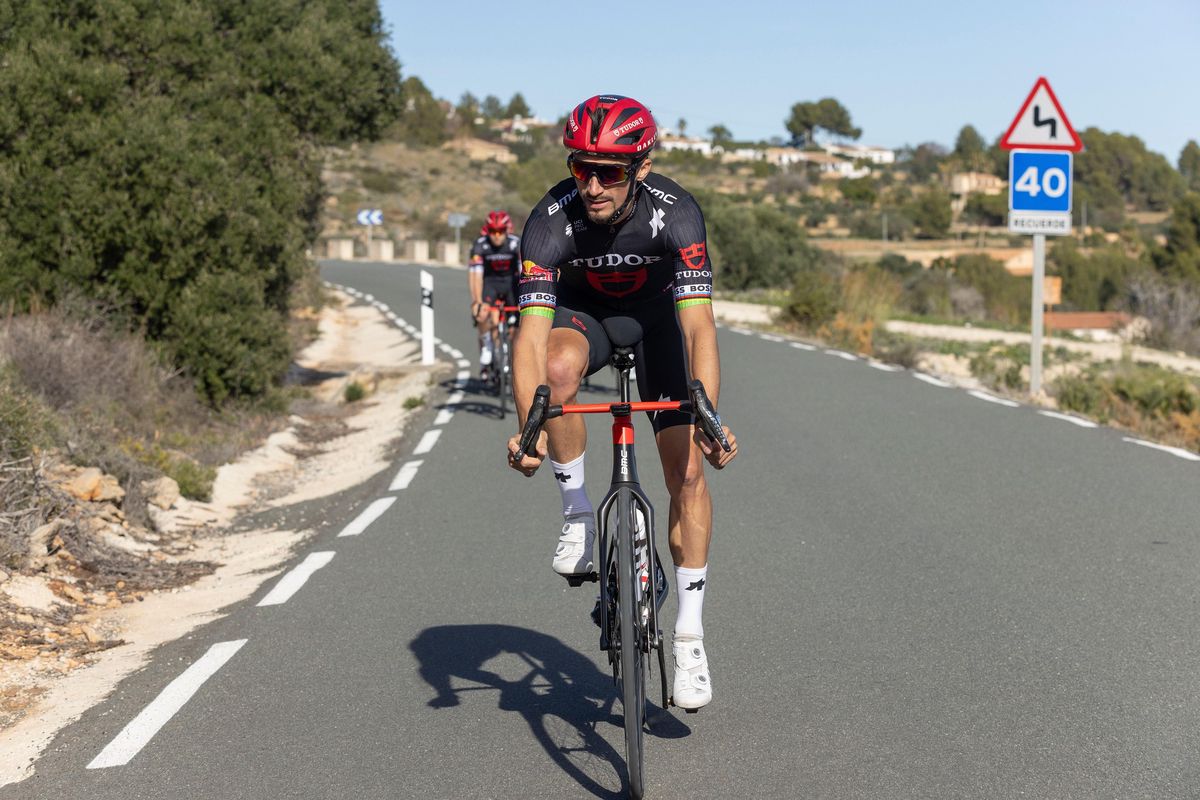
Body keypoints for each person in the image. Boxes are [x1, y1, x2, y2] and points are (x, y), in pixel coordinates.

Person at [507, 94, 738, 710]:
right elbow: (529, 336)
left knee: (685, 470)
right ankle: (579, 512)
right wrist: (526, 427)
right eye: (583, 167)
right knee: (556, 370)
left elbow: (699, 330)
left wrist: (708, 415)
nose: (594, 184)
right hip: (587, 319)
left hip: (659, 325)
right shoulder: (550, 219)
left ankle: (689, 632)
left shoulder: (677, 214)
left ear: (640, 166)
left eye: (610, 171)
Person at [468, 210, 521, 379]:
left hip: (511, 284)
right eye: (492, 231)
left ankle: (512, 357)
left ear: (507, 230)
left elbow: (524, 271)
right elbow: (475, 275)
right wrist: (477, 300)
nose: (496, 236)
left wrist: (524, 298)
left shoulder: (516, 243)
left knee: (517, 326)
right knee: (482, 313)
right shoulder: (480, 245)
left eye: (500, 231)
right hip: (490, 283)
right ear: (487, 230)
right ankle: (487, 346)